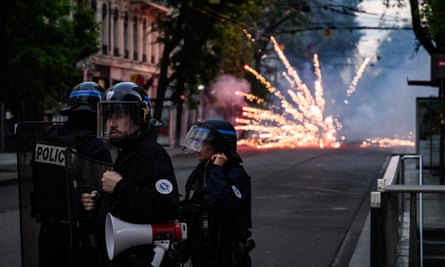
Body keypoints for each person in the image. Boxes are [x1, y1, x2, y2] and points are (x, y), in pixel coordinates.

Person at [82, 81, 180, 267]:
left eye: (119, 116)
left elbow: (167, 204)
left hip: (144, 259)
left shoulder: (151, 154)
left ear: (138, 117)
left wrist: (119, 187)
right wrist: (99, 200)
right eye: (109, 117)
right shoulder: (128, 152)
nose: (112, 123)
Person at [30, 81, 113, 267]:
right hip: (80, 235)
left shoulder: (47, 136)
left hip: (48, 232)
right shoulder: (95, 147)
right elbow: (105, 197)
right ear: (98, 113)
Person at [179, 119, 255, 267]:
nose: (198, 147)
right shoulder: (202, 169)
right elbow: (191, 203)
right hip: (201, 252)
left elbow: (219, 201)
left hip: (225, 256)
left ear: (220, 145)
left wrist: (217, 169)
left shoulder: (236, 174)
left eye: (204, 142)